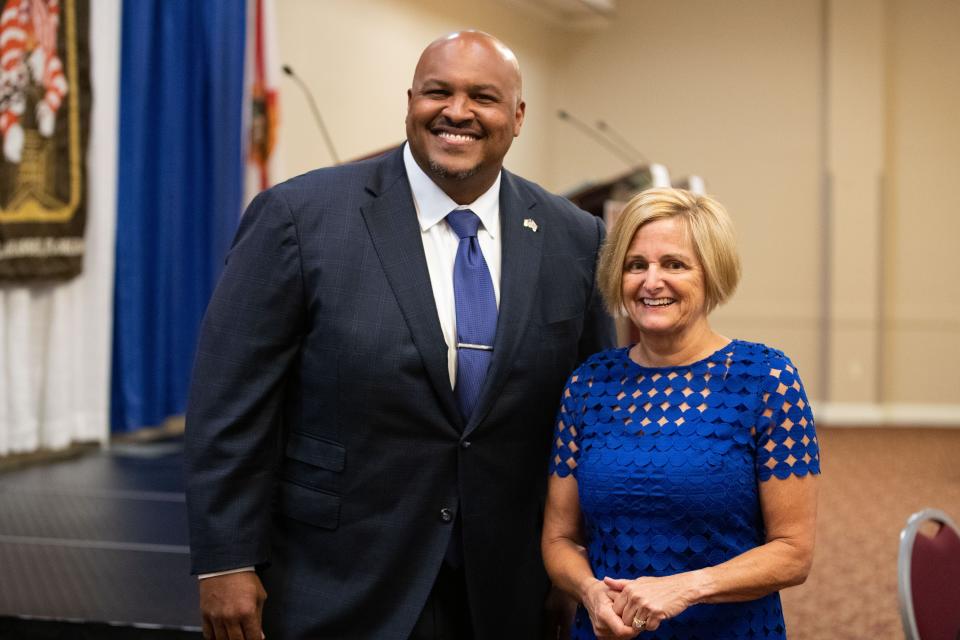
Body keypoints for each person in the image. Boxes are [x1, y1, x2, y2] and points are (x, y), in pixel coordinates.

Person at [184, 30, 614, 640]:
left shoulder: (575, 239)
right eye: (438, 91)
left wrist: (578, 568)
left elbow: (590, 420)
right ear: (410, 100)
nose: (457, 112)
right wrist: (225, 559)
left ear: (517, 117)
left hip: (506, 587)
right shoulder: (299, 217)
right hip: (337, 579)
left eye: (483, 97)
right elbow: (229, 401)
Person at [541, 188, 820, 639]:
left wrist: (687, 588)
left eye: (674, 264)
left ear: (711, 274)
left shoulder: (766, 379)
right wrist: (589, 592)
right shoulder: (589, 383)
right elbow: (559, 539)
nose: (652, 282)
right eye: (637, 265)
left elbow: (793, 552)